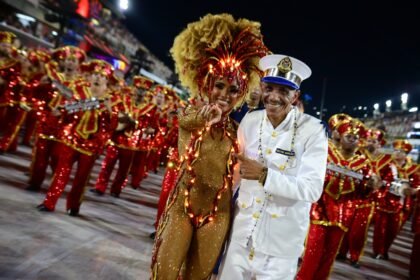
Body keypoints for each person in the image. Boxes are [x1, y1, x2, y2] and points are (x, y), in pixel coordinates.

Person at [151, 13, 268, 280]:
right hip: (182, 207)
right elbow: (189, 120)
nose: (225, 95)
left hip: (218, 216)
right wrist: (207, 116)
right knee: (164, 275)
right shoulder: (190, 117)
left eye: (232, 90)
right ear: (207, 84)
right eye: (219, 86)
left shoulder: (237, 133)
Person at [218, 54, 328, 279]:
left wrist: (265, 175)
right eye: (269, 89)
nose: (274, 97)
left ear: (295, 96)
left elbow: (312, 189)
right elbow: (237, 172)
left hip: (279, 246)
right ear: (261, 88)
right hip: (241, 235)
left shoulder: (312, 130)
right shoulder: (250, 121)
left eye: (284, 92)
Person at [297, 119, 379, 279]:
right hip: (319, 210)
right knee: (312, 253)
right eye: (349, 135)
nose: (352, 140)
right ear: (340, 136)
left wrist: (371, 185)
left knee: (329, 256)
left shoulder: (363, 163)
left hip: (343, 214)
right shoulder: (326, 152)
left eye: (355, 138)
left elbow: (364, 193)